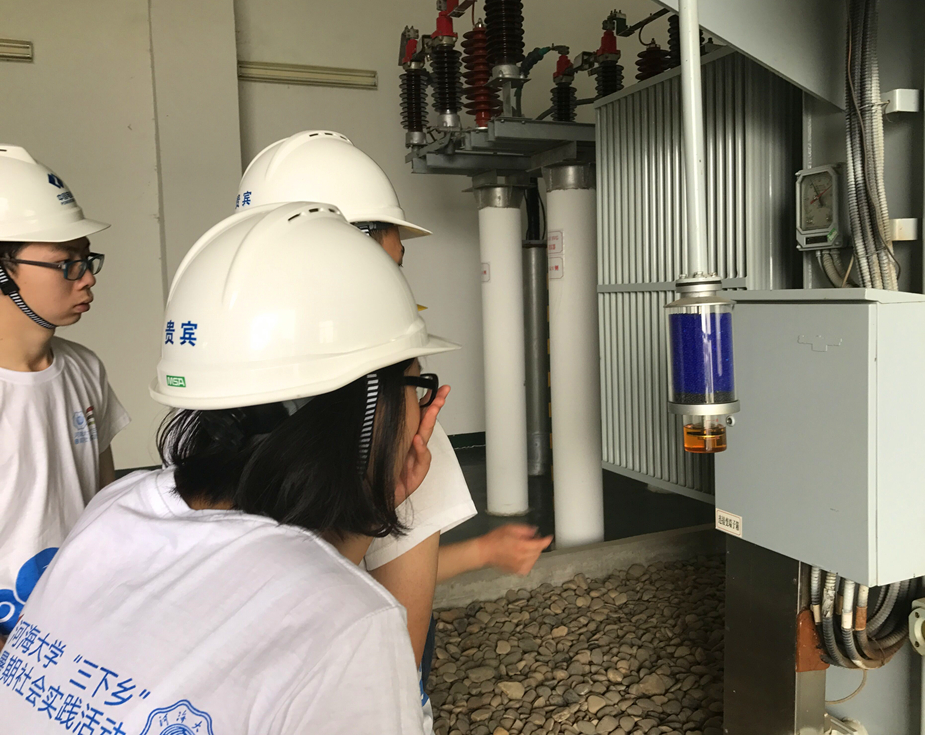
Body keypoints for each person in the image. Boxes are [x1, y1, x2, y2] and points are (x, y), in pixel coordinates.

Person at [0, 201, 453, 733]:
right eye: (417, 385)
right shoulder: (355, 622)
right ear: (367, 404)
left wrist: (364, 507)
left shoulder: (117, 505)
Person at [236, 130, 552, 671]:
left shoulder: (216, 412)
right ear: (352, 249)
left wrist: (482, 551)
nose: (401, 281)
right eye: (395, 261)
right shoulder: (396, 418)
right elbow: (399, 641)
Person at [0, 146, 129, 646]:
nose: (88, 277)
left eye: (86, 258)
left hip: (75, 632)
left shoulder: (84, 368)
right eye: (66, 263)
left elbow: (103, 502)